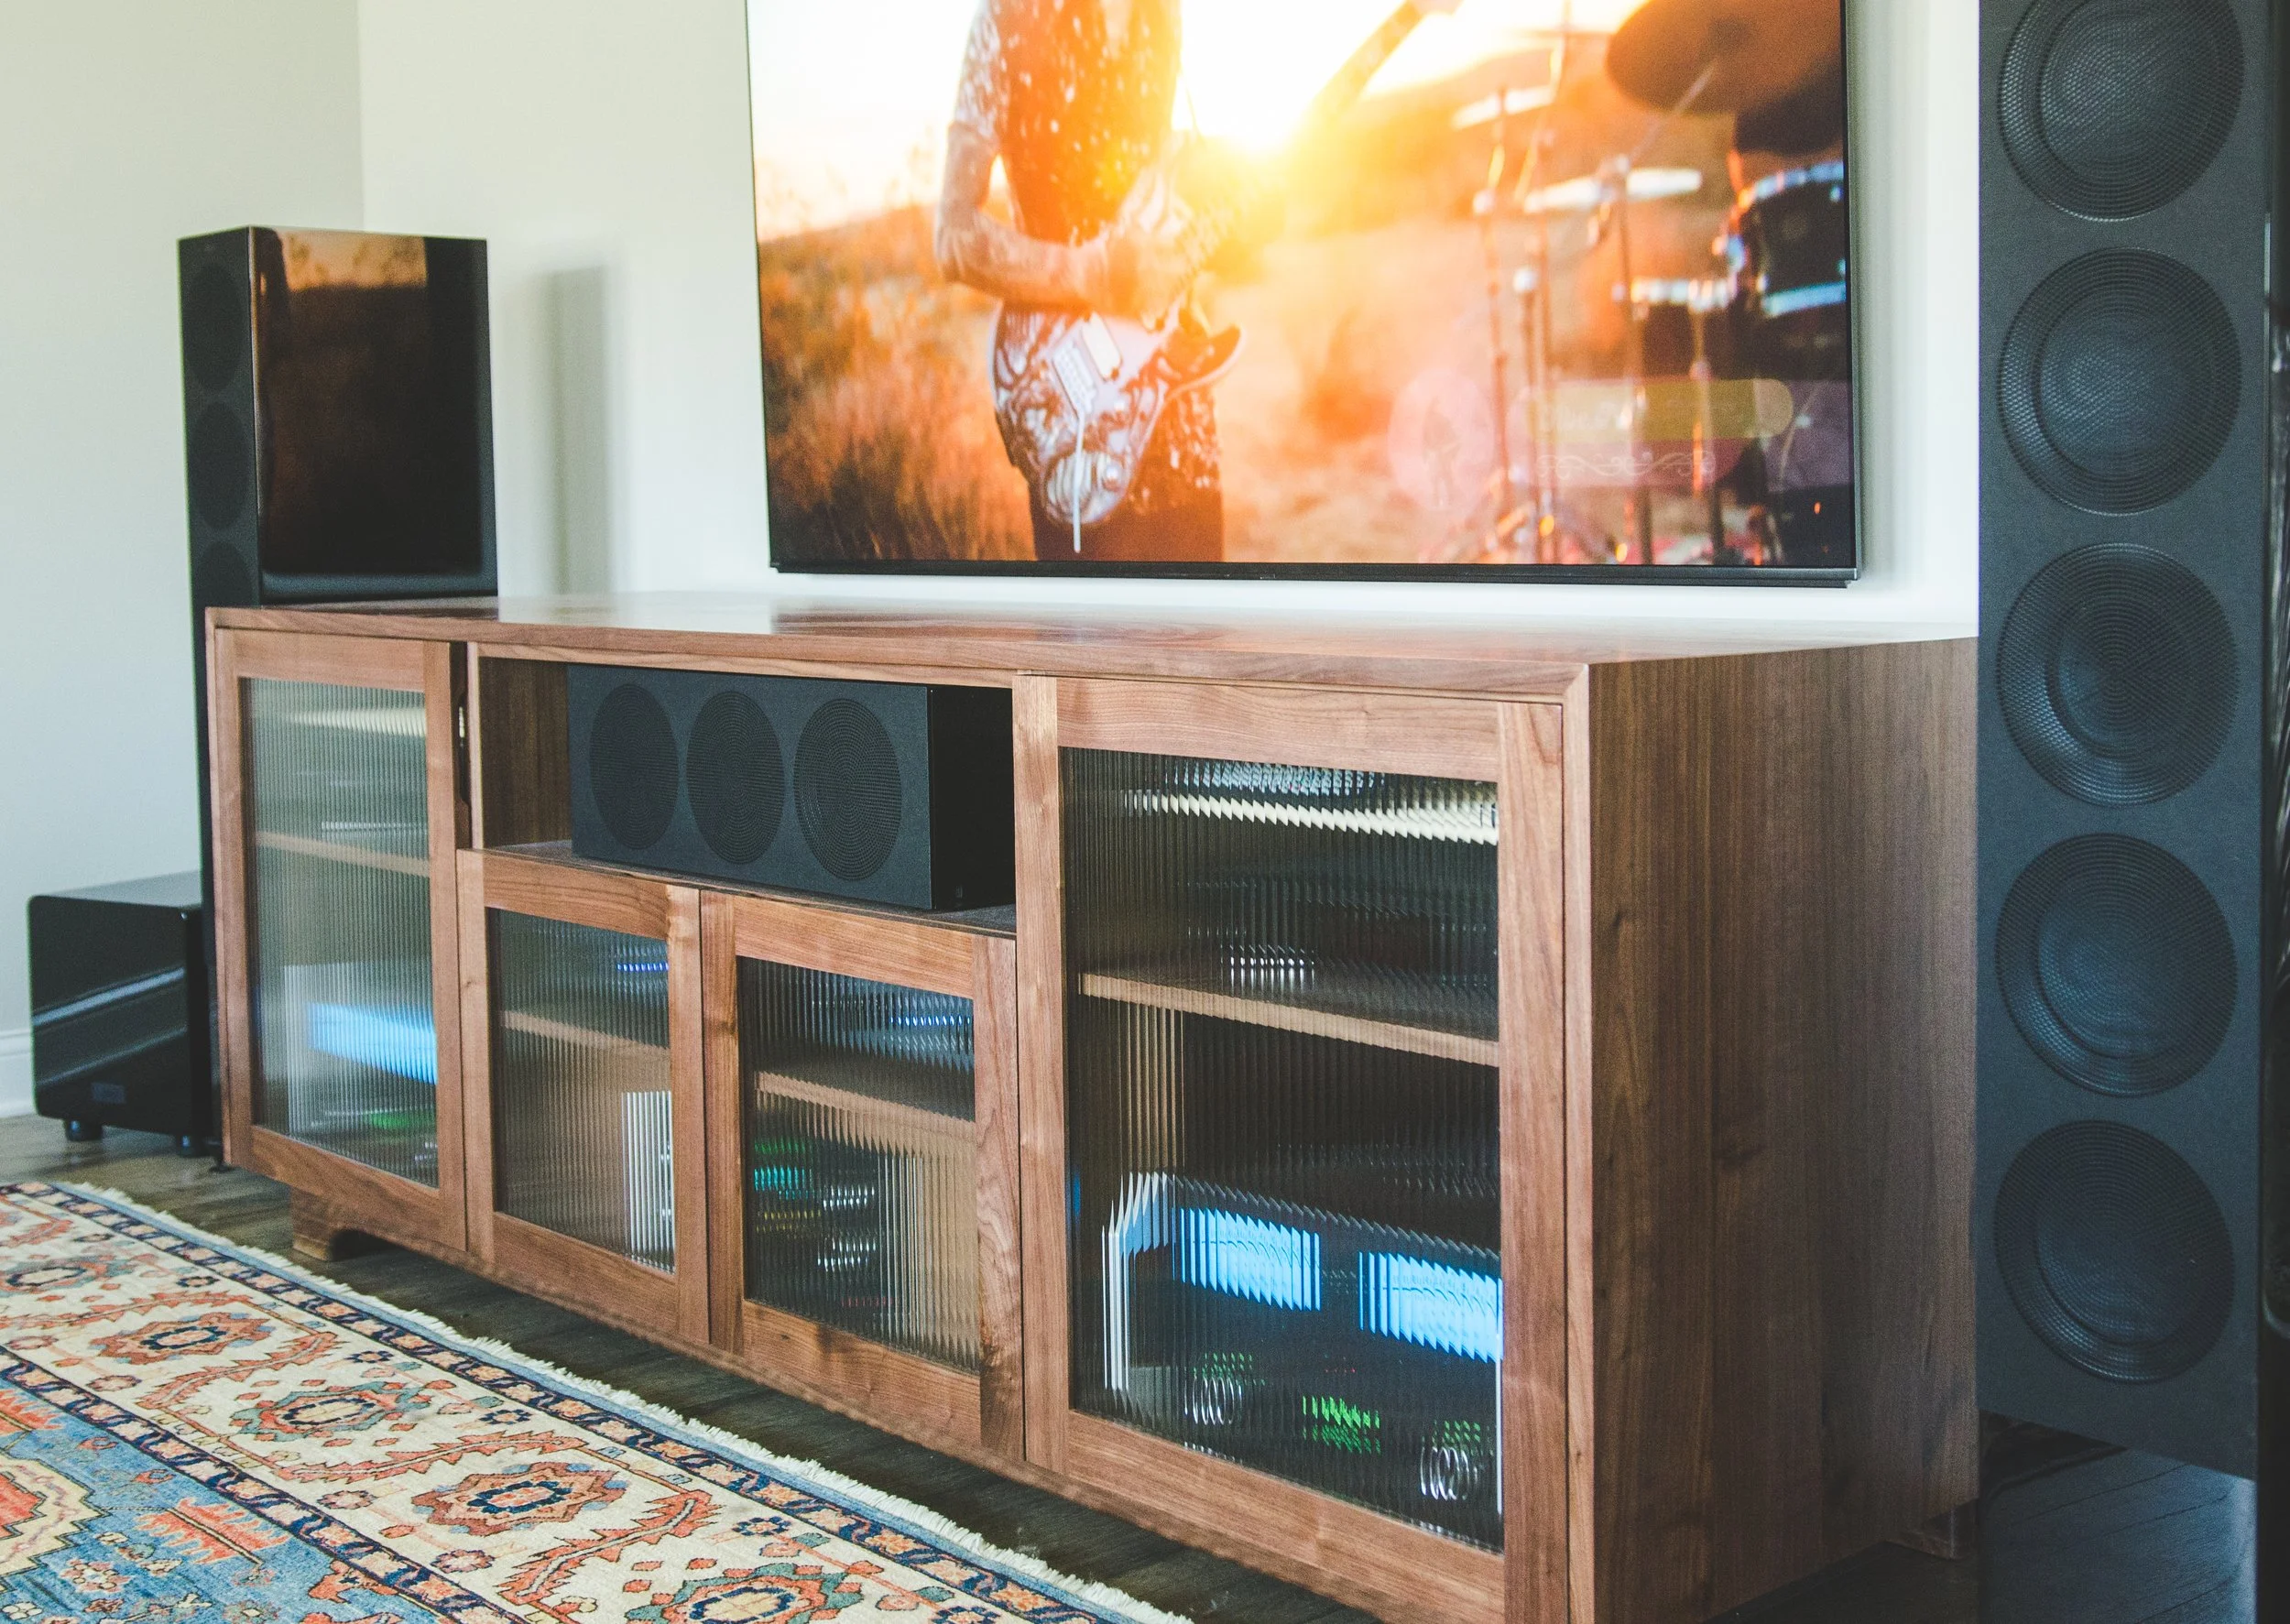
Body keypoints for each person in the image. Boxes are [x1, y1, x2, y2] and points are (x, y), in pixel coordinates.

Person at [934, 0, 1225, 562]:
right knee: (1091, 645)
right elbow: (955, 237)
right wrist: (1095, 273)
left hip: (1179, 407)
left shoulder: (1163, 16)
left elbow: (1151, 194)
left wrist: (1226, 220)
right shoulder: (1010, 18)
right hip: (1076, 407)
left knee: (1199, 640)